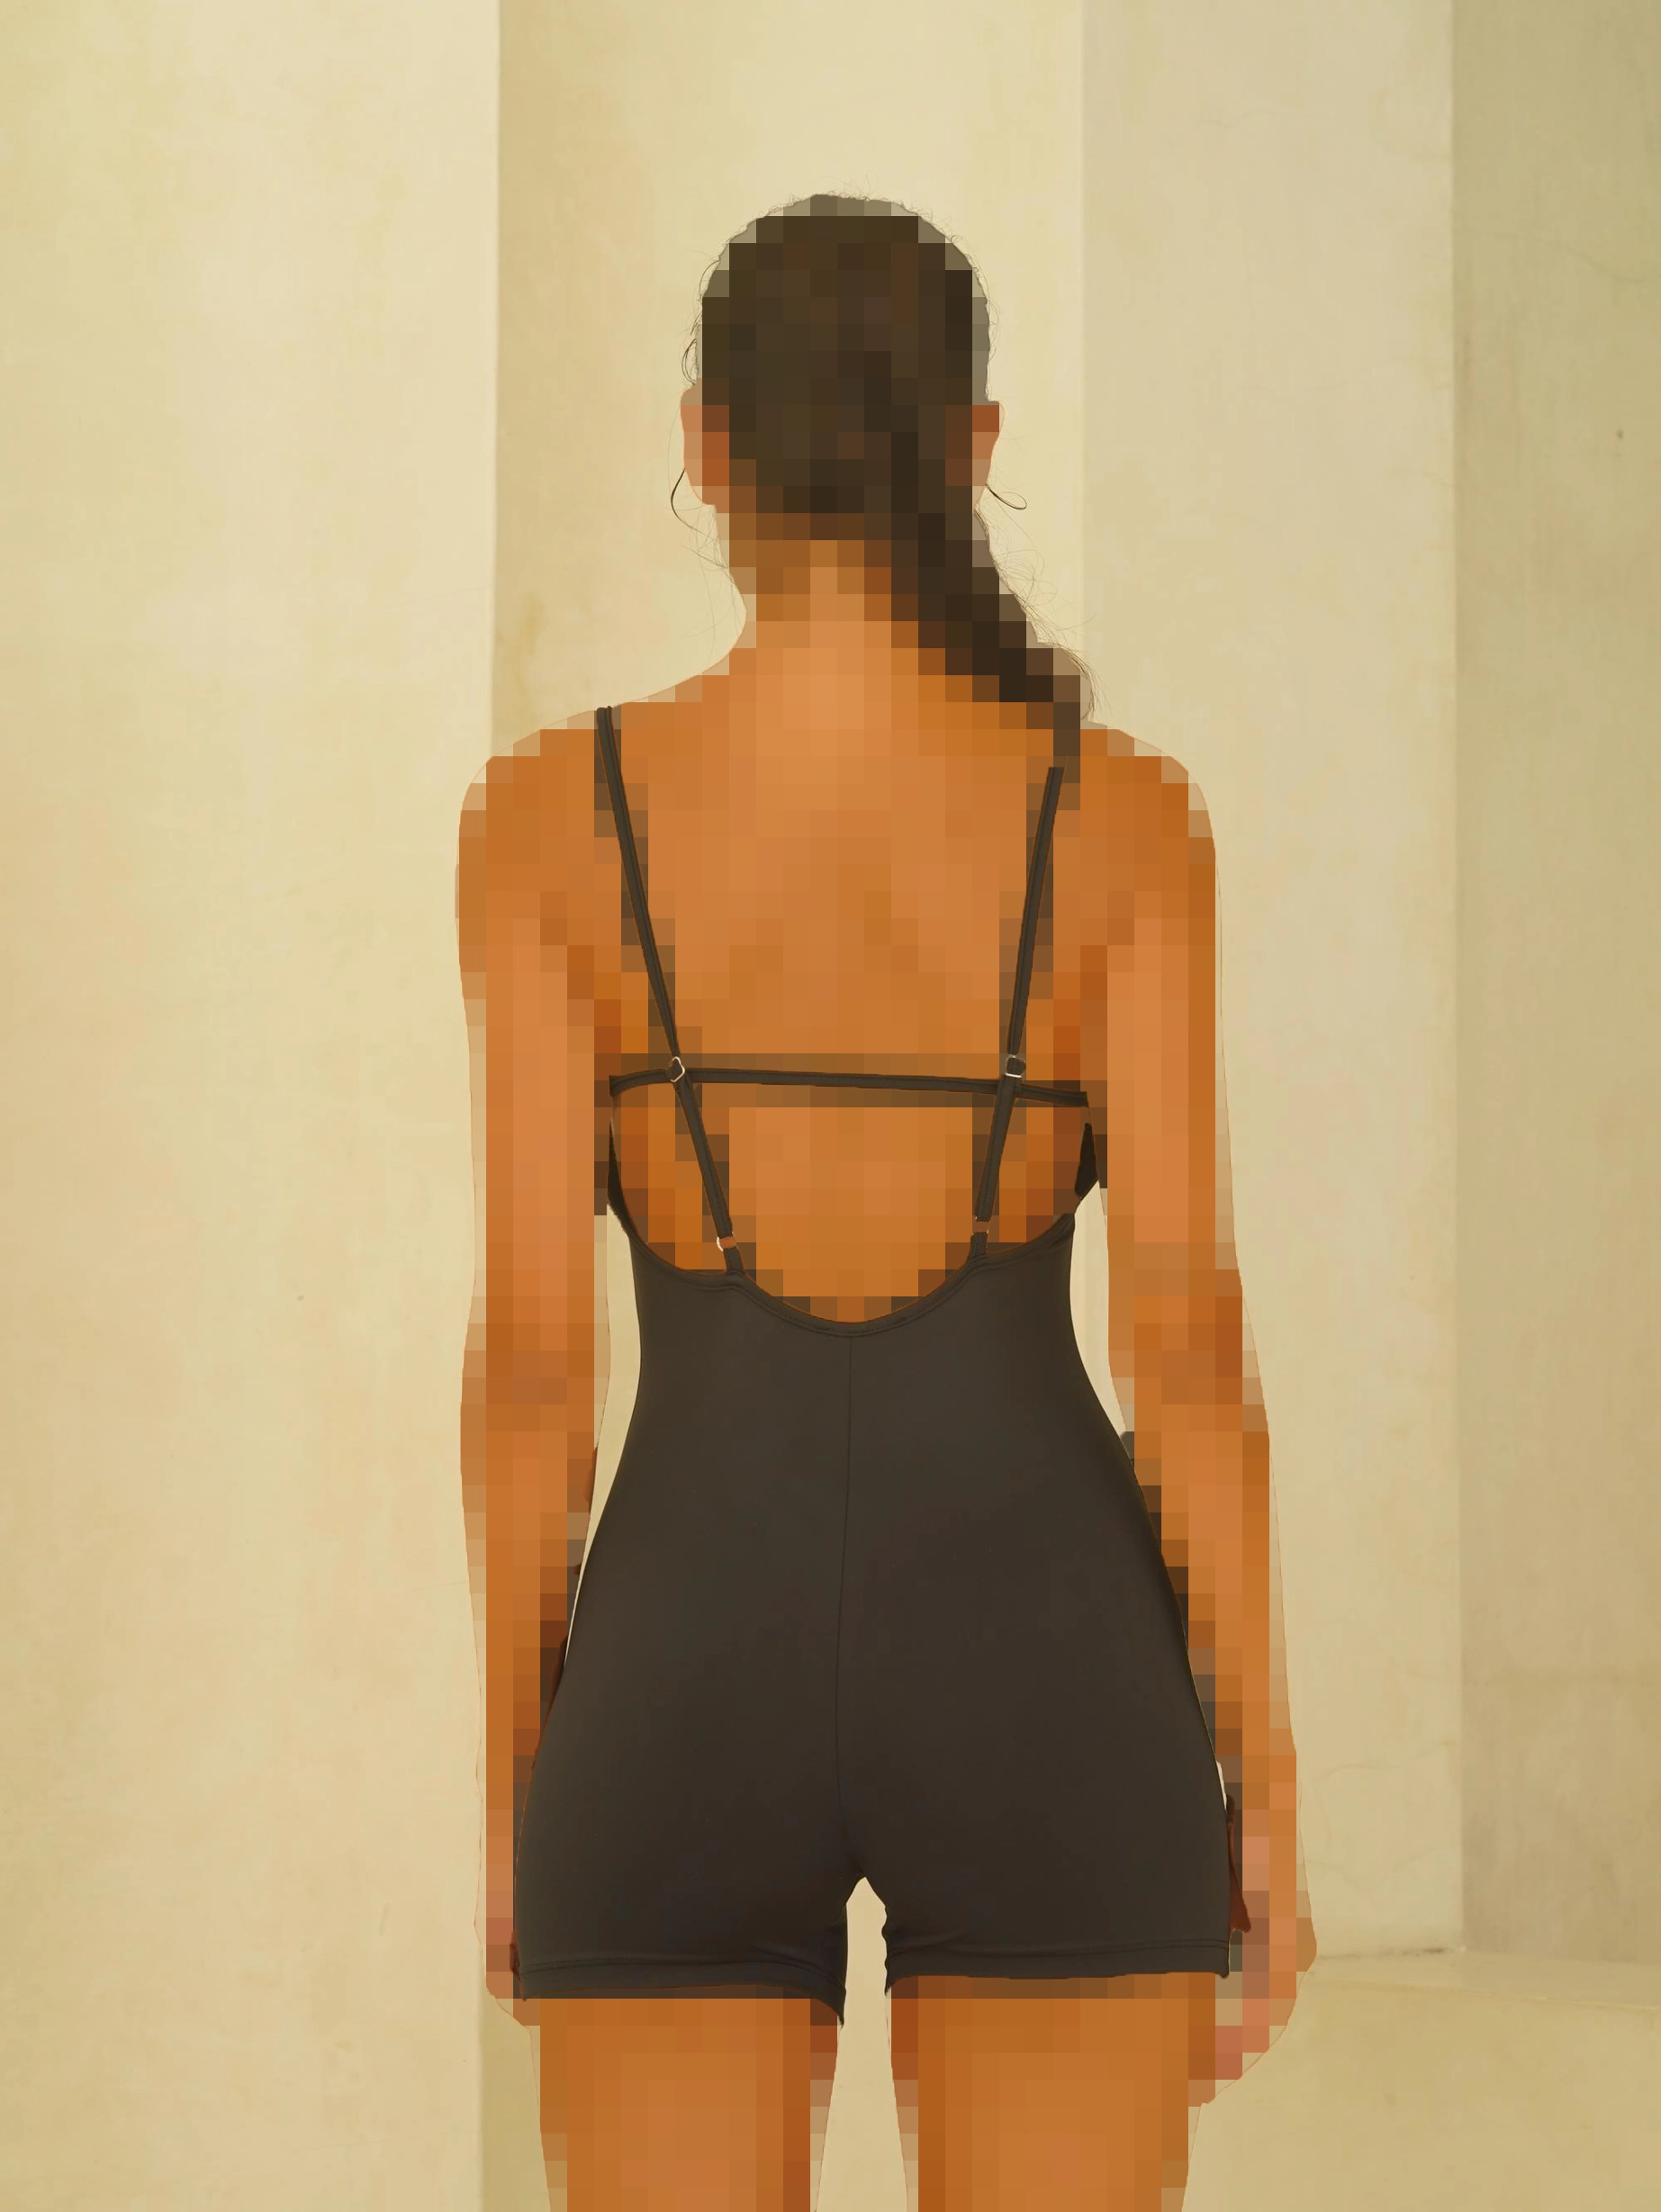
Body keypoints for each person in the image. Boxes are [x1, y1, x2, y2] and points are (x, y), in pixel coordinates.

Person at [457, 194, 1314, 2212]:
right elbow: (1186, 1342)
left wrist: (521, 1783)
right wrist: (1258, 1781)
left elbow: (533, 1369)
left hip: (682, 1661)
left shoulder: (551, 821)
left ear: (705, 445)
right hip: (1046, 1657)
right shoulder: (1122, 817)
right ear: (976, 443)